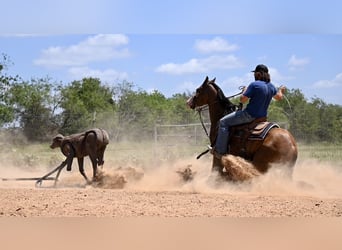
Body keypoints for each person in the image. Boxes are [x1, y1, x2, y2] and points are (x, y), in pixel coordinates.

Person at [210, 64, 286, 159]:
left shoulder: (254, 85)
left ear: (258, 74)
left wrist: (244, 91)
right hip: (262, 118)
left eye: (255, 73)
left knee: (223, 122)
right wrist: (281, 90)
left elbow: (243, 100)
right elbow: (279, 97)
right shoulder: (271, 86)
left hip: (249, 115)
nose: (254, 75)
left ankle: (220, 152)